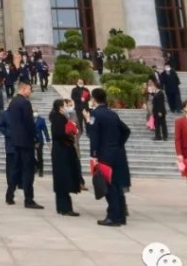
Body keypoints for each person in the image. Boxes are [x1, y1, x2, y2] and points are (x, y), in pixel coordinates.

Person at [86, 87, 130, 227]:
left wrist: (94, 155)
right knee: (117, 185)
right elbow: (126, 130)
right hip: (117, 153)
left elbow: (93, 137)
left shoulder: (95, 114)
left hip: (105, 155)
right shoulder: (112, 114)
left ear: (94, 99)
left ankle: (113, 216)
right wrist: (118, 144)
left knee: (109, 186)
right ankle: (121, 216)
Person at [6, 79, 43, 209]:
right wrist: (35, 138)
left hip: (16, 140)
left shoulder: (13, 102)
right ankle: (29, 199)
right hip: (26, 141)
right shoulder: (25, 103)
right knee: (28, 170)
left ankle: (9, 195)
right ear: (23, 88)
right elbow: (29, 123)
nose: (30, 91)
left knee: (16, 168)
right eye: (29, 89)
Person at [49, 99, 81, 216]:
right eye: (64, 106)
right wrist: (71, 134)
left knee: (61, 180)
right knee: (64, 179)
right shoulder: (59, 119)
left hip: (60, 151)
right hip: (62, 152)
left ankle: (61, 207)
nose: (66, 108)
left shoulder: (57, 118)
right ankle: (66, 208)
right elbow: (60, 134)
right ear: (60, 108)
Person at [33, 106, 50, 178]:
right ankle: (36, 166)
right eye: (33, 111)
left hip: (39, 140)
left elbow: (45, 130)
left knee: (39, 155)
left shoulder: (41, 120)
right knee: (30, 155)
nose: (34, 112)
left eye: (35, 111)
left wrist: (48, 140)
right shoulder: (29, 119)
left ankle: (41, 170)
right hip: (31, 140)